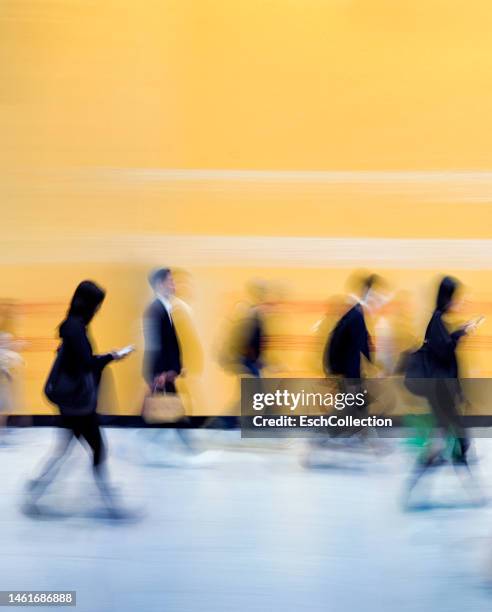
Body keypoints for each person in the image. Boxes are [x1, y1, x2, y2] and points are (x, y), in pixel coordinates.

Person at [26, 280, 132, 516]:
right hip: (78, 405)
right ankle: (111, 504)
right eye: (97, 305)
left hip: (72, 403)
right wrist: (113, 356)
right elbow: (86, 364)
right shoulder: (76, 329)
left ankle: (35, 488)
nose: (98, 310)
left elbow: (78, 361)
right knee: (98, 449)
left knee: (65, 449)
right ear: (88, 304)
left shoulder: (74, 325)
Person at [404, 276, 483, 505]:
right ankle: (474, 492)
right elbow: (445, 353)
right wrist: (463, 333)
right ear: (448, 297)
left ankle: (415, 487)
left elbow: (445, 353)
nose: (458, 302)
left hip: (444, 397)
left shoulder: (438, 322)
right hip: (442, 398)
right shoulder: (436, 321)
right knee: (457, 443)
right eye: (456, 298)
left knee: (445, 445)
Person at [143, 268, 194, 453]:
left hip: (164, 371)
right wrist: (160, 373)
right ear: (159, 284)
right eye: (170, 281)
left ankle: (144, 445)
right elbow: (155, 345)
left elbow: (170, 344)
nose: (174, 284)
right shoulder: (155, 310)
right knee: (175, 411)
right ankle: (191, 449)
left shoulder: (165, 308)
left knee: (166, 410)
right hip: (161, 372)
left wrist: (177, 367)